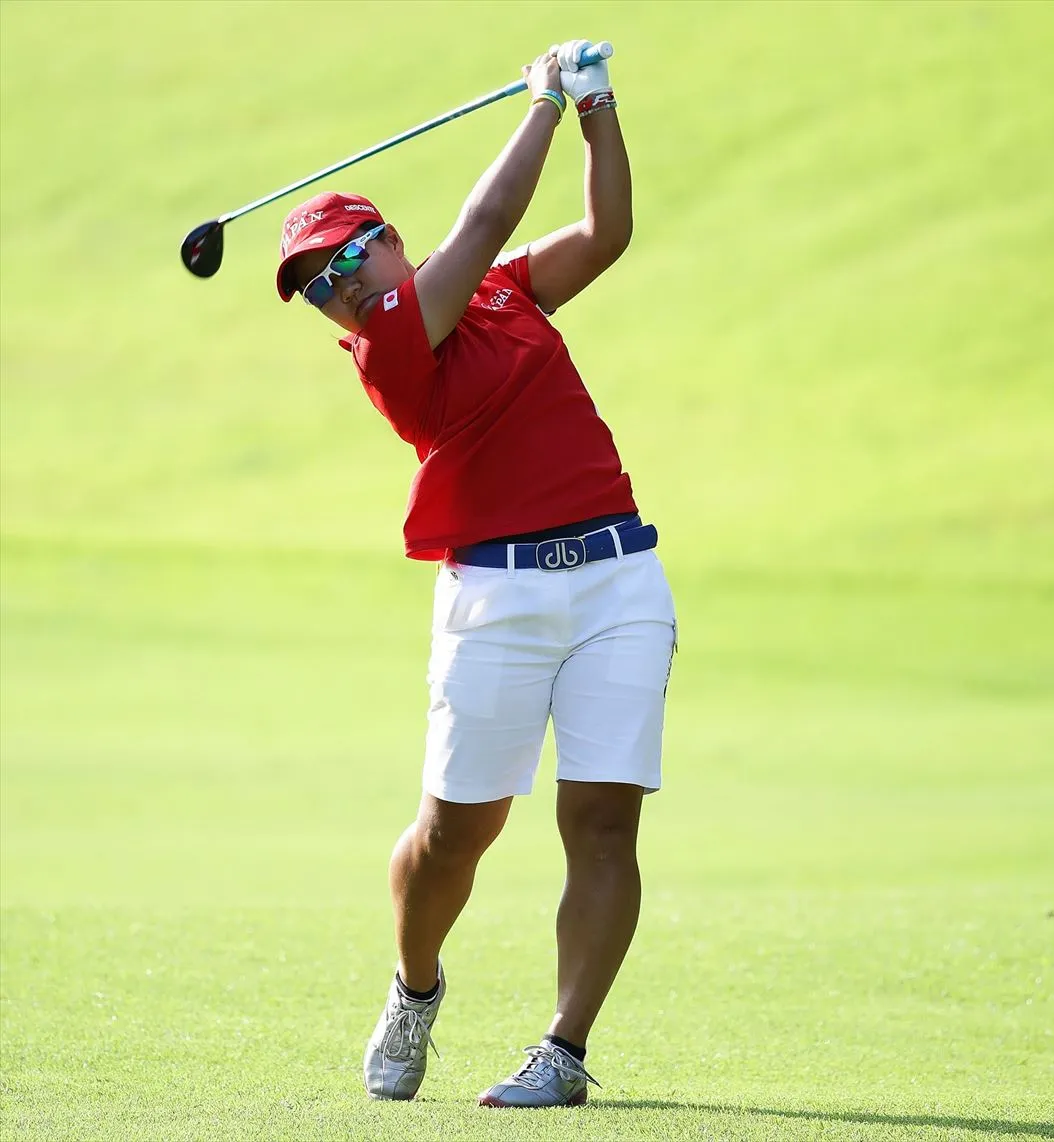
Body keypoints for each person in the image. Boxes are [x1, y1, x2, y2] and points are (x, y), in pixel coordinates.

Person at [272, 42, 675, 1109]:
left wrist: (596, 106)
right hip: (496, 598)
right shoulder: (389, 348)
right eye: (316, 290)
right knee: (457, 830)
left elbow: (605, 234)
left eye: (342, 264)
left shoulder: (500, 295)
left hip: (617, 577)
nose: (335, 292)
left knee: (603, 823)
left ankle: (563, 1050)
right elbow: (487, 220)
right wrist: (542, 102)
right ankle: (415, 986)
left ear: (386, 241)